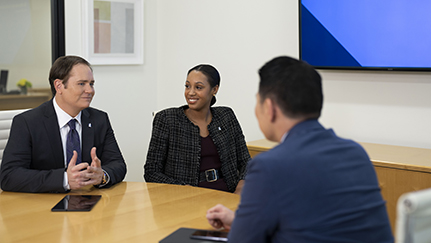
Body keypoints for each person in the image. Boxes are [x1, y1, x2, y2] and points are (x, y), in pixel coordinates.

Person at [206, 56, 394, 242]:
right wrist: (240, 221)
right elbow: (320, 223)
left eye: (258, 101)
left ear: (269, 107)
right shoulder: (355, 153)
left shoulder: (269, 166)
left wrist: (241, 228)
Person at [0, 55, 126, 193]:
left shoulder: (99, 119)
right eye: (82, 84)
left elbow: (118, 164)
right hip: (42, 204)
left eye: (91, 83)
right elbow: (9, 176)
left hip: (87, 201)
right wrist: (64, 179)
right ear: (59, 86)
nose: (90, 90)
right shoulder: (27, 122)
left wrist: (102, 176)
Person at [144, 64, 250, 194]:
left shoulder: (226, 116)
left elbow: (246, 161)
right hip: (186, 199)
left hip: (228, 193)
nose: (191, 92)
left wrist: (240, 188)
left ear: (214, 89)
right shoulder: (167, 119)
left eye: (198, 87)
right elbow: (151, 172)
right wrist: (183, 189)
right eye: (187, 86)